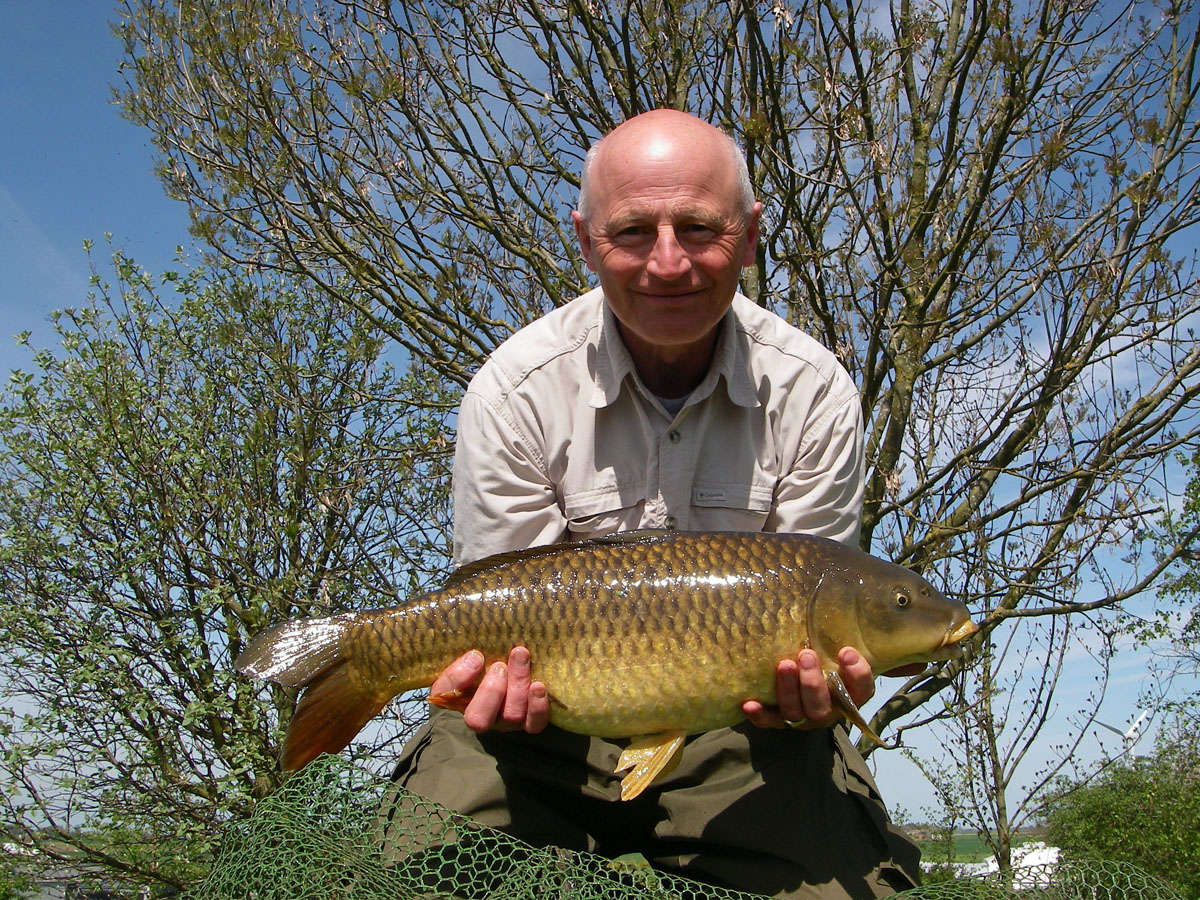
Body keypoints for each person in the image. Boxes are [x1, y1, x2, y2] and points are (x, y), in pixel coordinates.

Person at [390, 109, 921, 900]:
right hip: (535, 731)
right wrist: (492, 689)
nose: (667, 262)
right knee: (423, 877)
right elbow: (497, 600)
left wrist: (818, 693)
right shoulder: (514, 389)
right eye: (634, 231)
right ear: (585, 240)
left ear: (748, 237)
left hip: (741, 729)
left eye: (699, 228)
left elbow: (822, 591)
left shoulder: (814, 392)